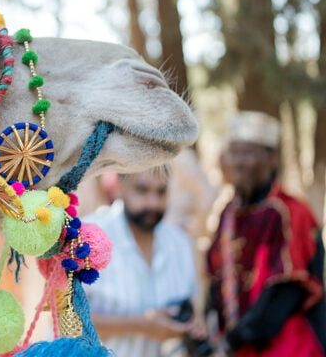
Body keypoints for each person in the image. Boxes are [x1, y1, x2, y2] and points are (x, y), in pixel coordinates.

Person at [206, 111, 326, 355]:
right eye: (233, 153)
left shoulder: (291, 211)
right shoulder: (228, 212)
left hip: (288, 346)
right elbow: (216, 277)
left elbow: (287, 289)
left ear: (272, 158)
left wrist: (236, 337)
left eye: (248, 153)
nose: (238, 162)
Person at [83, 167, 207, 357]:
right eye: (142, 190)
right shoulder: (89, 236)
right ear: (120, 185)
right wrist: (140, 325)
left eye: (161, 192)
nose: (153, 203)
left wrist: (193, 322)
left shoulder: (179, 241)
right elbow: (64, 317)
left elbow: (191, 302)